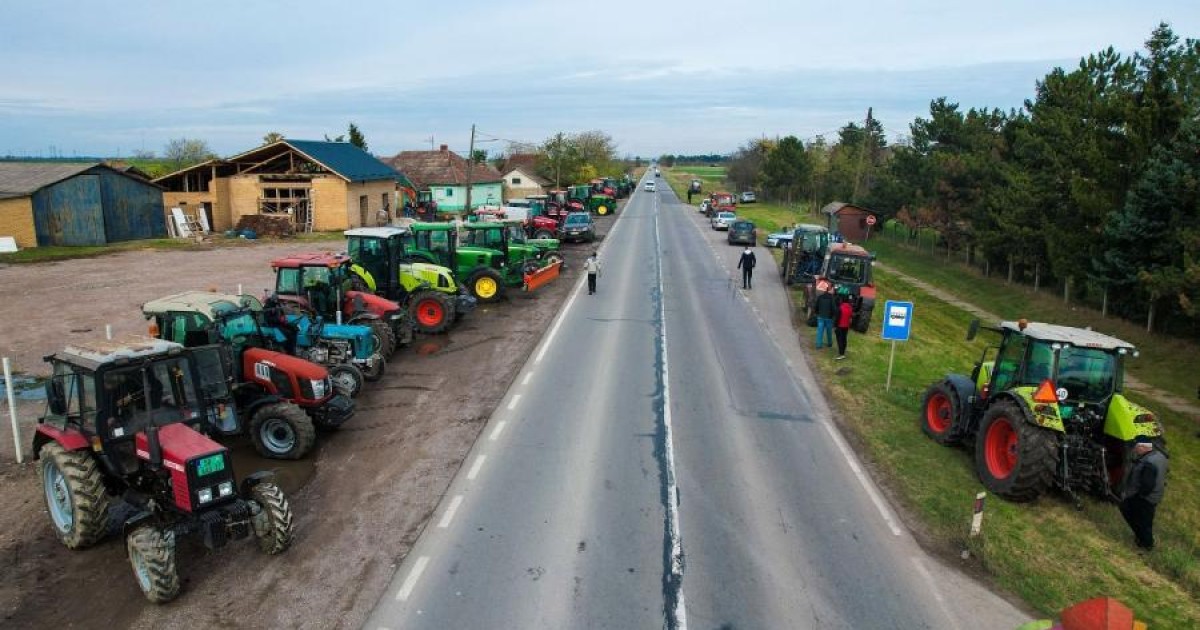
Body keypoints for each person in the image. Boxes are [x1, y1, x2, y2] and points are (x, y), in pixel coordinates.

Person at [1119, 438, 1168, 550]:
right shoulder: (1159, 456)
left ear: (1144, 447)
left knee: (1135, 514)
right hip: (1154, 496)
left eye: (1137, 447)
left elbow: (1147, 484)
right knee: (1144, 520)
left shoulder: (1149, 462)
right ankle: (1142, 539)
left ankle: (1147, 544)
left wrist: (1139, 495)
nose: (1135, 450)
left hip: (1146, 497)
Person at [814, 285, 835, 349]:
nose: (834, 291)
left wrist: (817, 313)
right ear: (830, 290)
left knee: (820, 331)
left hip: (820, 316)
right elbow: (833, 308)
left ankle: (818, 344)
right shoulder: (831, 298)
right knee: (829, 331)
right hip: (828, 317)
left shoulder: (820, 297)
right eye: (833, 289)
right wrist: (833, 315)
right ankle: (829, 343)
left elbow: (816, 306)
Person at [834, 288, 853, 360]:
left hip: (840, 326)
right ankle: (843, 352)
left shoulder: (840, 308)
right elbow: (850, 317)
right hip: (846, 326)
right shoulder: (850, 308)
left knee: (839, 340)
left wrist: (835, 326)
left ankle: (841, 354)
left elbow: (837, 318)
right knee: (844, 339)